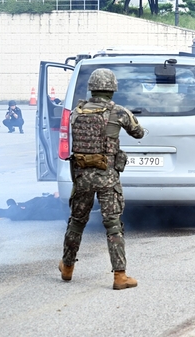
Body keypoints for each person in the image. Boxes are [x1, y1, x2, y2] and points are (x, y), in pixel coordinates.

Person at [59, 68, 145, 290]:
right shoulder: (118, 112)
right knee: (113, 224)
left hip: (81, 176)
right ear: (113, 88)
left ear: (92, 87)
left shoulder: (76, 112)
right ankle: (120, 276)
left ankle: (67, 267)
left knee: (77, 222)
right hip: (107, 176)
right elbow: (139, 133)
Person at [0, 193, 67, 220]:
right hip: (43, 209)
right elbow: (12, 213)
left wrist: (53, 195)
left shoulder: (25, 207)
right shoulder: (26, 211)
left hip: (52, 203)